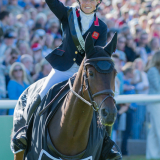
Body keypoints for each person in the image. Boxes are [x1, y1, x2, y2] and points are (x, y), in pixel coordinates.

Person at [14, 0, 121, 159]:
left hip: (85, 71)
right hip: (63, 69)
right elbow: (52, 4)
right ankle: (25, 133)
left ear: (97, 2)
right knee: (40, 95)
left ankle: (106, 144)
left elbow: (98, 54)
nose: (88, 3)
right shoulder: (68, 14)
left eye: (92, 0)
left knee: (106, 100)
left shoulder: (102, 27)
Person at [146, 51, 160, 159]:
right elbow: (158, 86)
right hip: (155, 103)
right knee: (158, 129)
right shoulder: (153, 70)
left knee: (154, 131)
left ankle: (152, 155)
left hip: (157, 102)